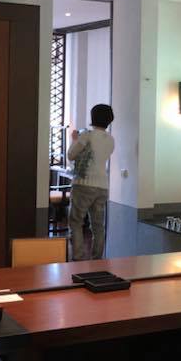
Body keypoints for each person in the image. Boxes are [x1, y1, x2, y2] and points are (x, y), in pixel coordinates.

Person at [67, 103, 115, 260]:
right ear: (110, 119)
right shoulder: (111, 139)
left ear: (93, 117)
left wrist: (74, 139)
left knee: (76, 222)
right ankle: (97, 260)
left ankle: (78, 259)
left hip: (83, 185)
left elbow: (71, 155)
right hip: (102, 187)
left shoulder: (86, 136)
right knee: (98, 226)